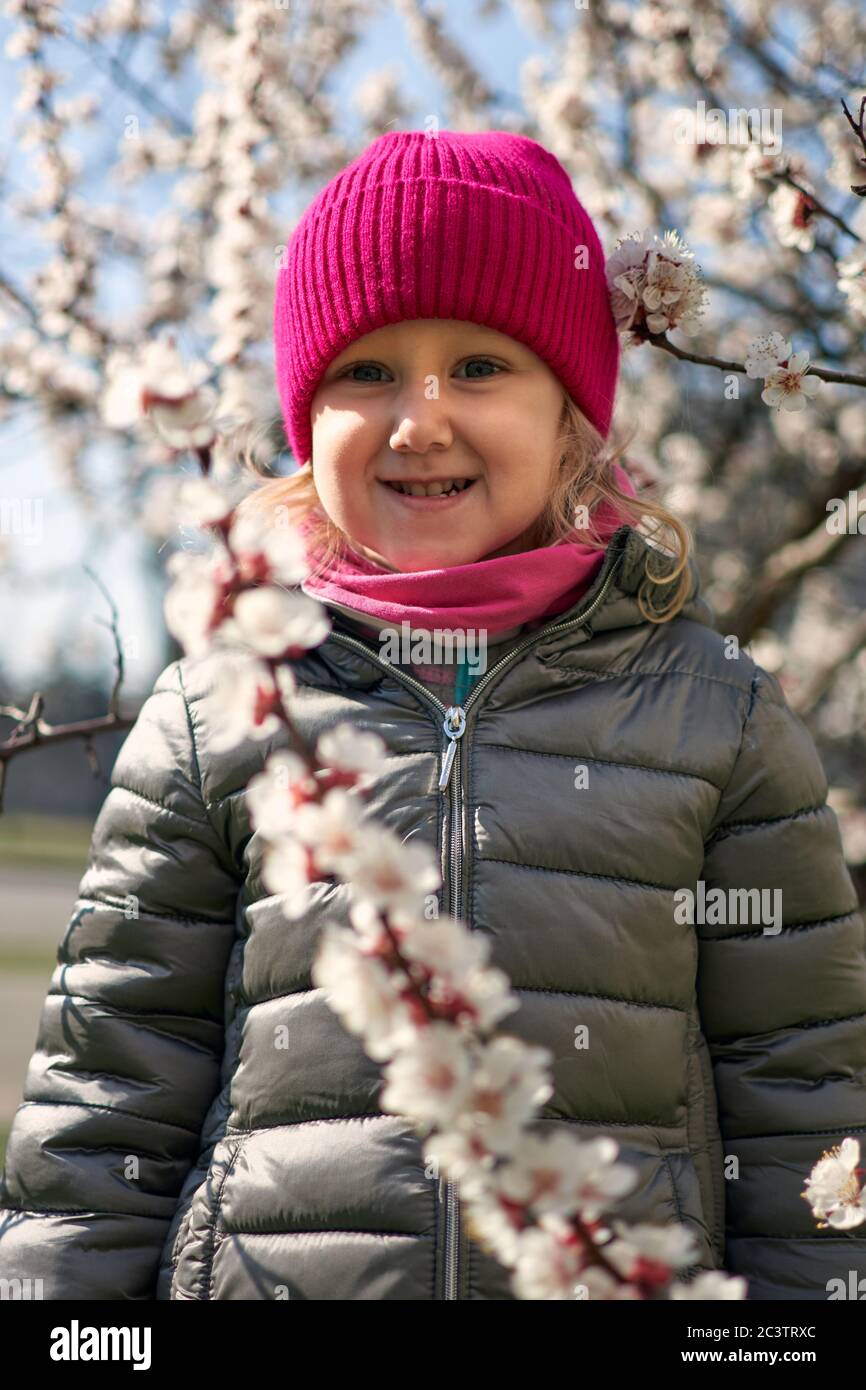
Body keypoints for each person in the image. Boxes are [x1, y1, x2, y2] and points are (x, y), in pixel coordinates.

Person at [1, 129, 864, 1301]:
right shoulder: (220, 714)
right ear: (307, 422)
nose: (418, 421)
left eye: (477, 367)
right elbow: (106, 1105)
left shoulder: (715, 719)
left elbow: (804, 1107)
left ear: (569, 414)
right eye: (366, 372)